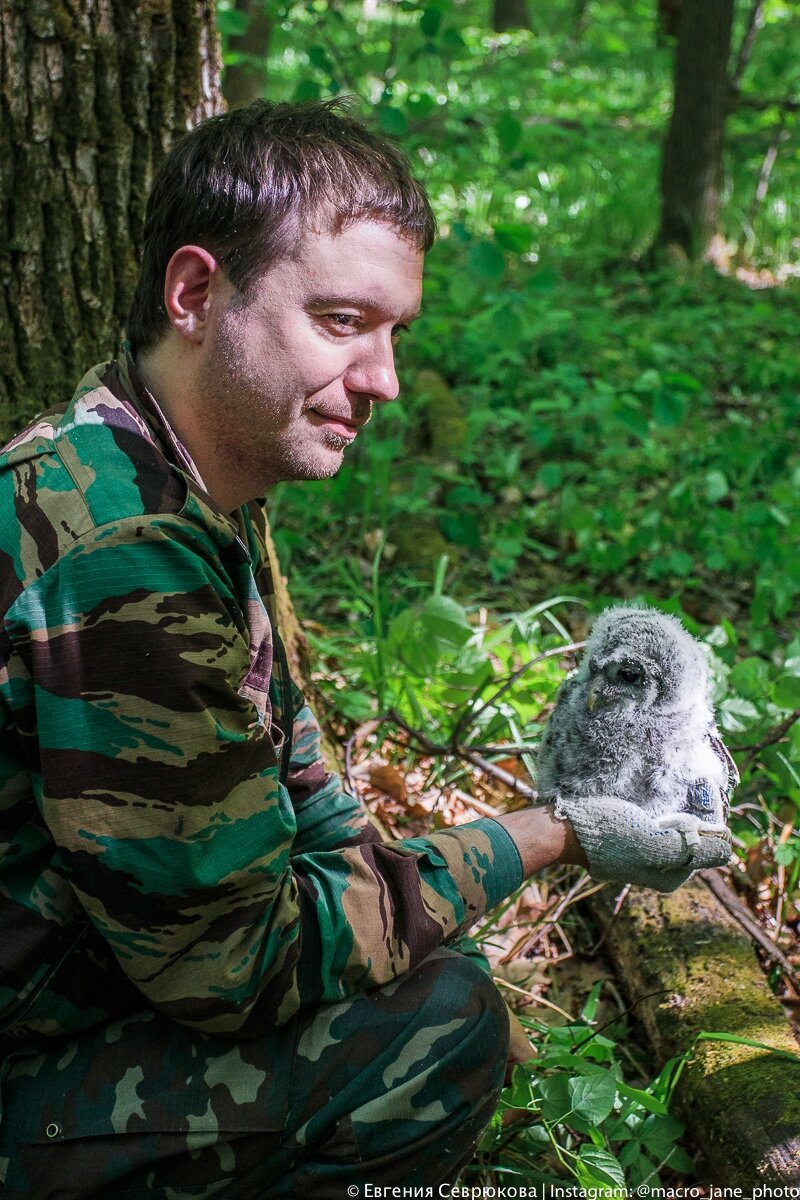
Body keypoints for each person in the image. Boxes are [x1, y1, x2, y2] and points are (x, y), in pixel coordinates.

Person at [0, 99, 731, 1199]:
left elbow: (300, 789)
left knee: (429, 971)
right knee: (433, 1037)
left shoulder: (159, 470)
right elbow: (236, 969)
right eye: (341, 321)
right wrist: (554, 833)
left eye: (395, 333)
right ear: (196, 294)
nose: (383, 379)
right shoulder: (128, 551)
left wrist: (430, 928)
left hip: (70, 978)